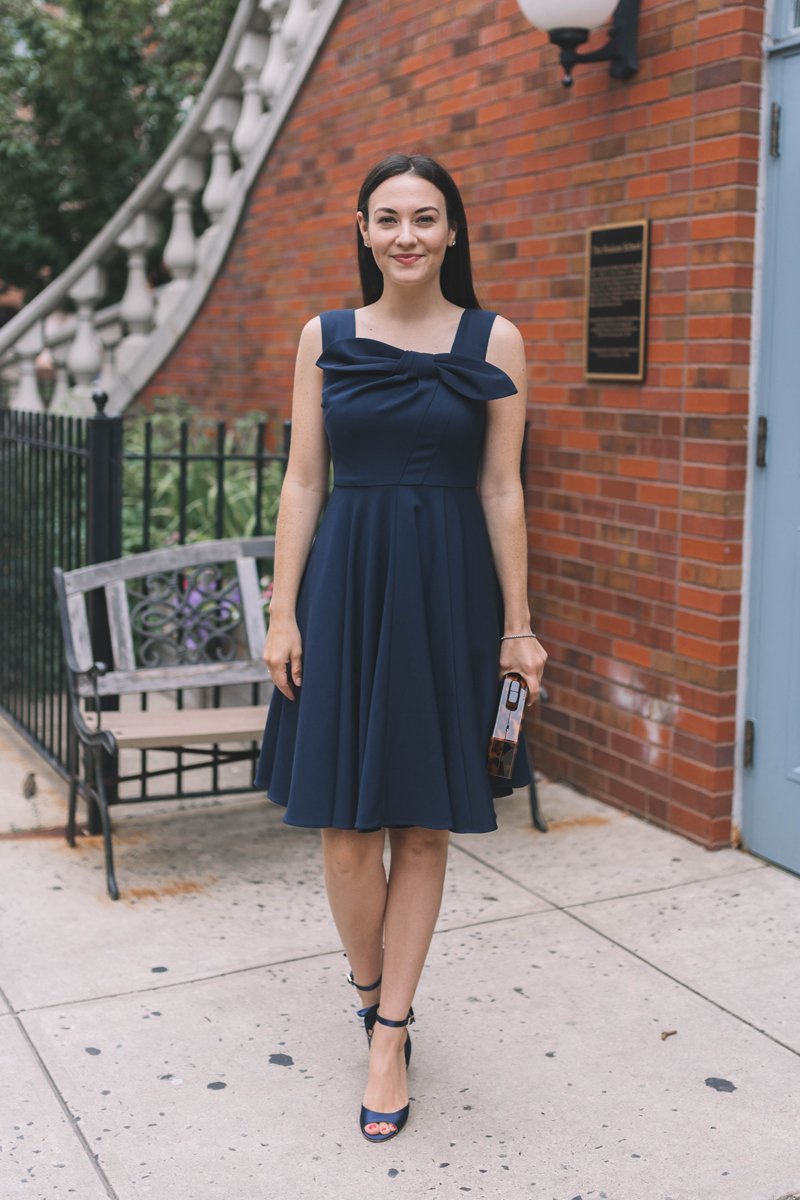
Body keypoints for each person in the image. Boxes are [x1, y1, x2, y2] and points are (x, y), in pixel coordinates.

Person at [255, 153, 548, 1143]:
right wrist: (283, 611)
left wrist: (517, 627)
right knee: (343, 826)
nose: (407, 235)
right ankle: (372, 986)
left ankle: (388, 1037)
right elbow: (302, 481)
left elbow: (503, 489)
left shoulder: (494, 336)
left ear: (452, 231)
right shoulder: (323, 337)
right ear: (362, 230)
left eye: (425, 217)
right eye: (388, 218)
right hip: (346, 586)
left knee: (422, 824)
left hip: (448, 592)